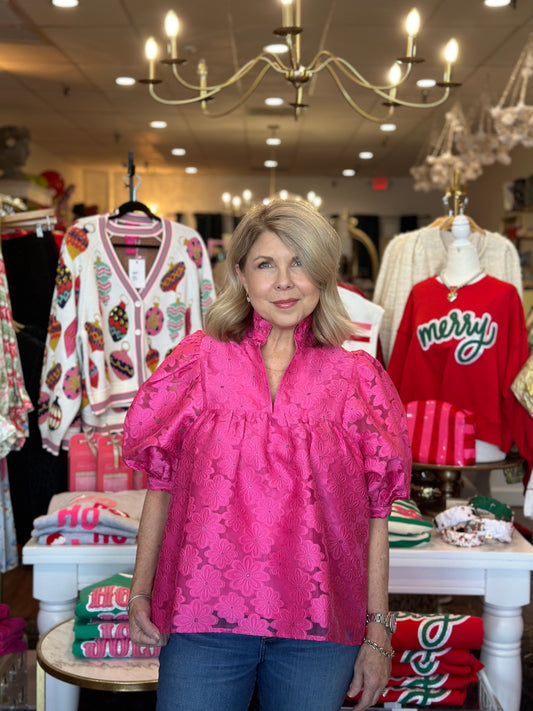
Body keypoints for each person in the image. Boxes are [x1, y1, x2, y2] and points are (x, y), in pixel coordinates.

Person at [122, 199, 411, 711]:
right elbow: (161, 485)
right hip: (202, 614)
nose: (283, 281)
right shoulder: (197, 363)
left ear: (323, 275)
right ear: (240, 275)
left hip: (321, 628)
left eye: (299, 262)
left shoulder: (357, 379)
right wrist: (141, 589)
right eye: (265, 264)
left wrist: (377, 634)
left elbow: (376, 514)